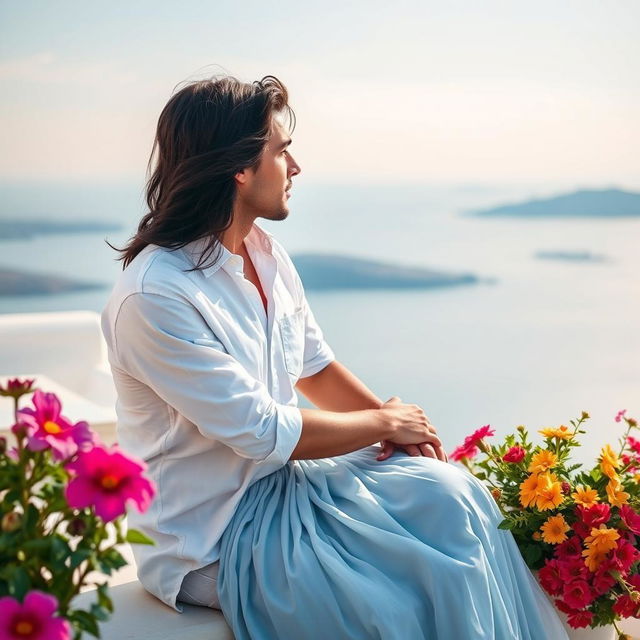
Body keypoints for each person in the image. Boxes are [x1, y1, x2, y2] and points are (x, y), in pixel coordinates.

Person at [101, 75, 569, 639]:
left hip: (291, 484)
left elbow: (314, 369)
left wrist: (406, 440)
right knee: (393, 601)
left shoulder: (264, 255)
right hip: (213, 535)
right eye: (281, 151)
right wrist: (382, 421)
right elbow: (259, 430)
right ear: (239, 168)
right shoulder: (156, 296)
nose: (294, 167)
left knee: (455, 497)